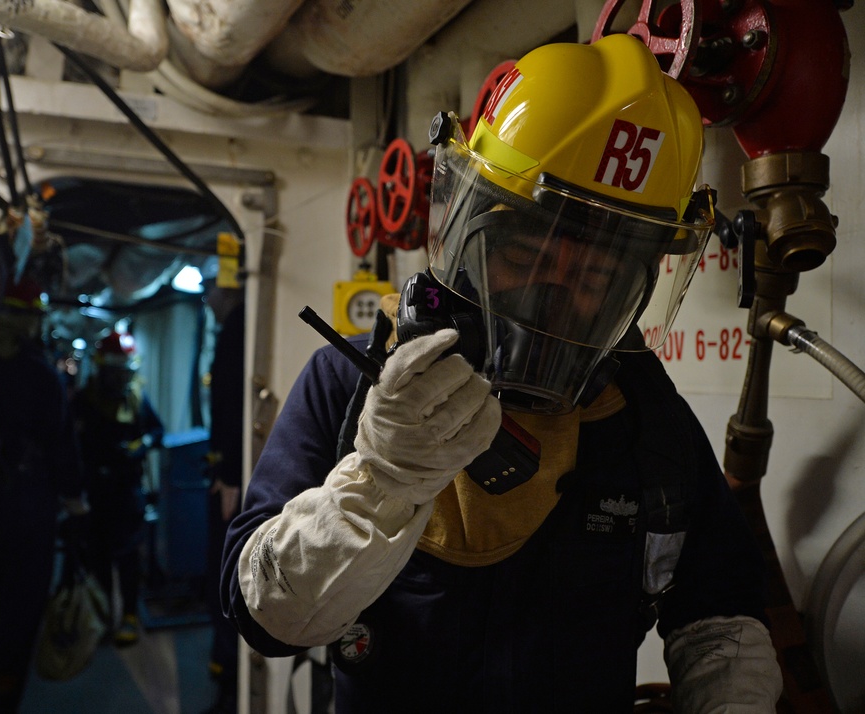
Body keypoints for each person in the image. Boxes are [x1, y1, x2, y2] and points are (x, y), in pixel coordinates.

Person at [220, 34, 784, 713]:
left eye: (598, 275)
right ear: (463, 233)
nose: (558, 292)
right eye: (526, 254)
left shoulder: (643, 423)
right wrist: (381, 483)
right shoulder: (352, 387)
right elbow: (263, 619)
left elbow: (721, 619)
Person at [0, 275, 86, 713]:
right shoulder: (41, 375)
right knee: (18, 615)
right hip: (29, 509)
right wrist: (77, 508)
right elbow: (62, 447)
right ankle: (2, 696)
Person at [72, 330, 164, 646]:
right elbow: (70, 445)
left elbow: (158, 431)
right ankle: (101, 617)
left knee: (127, 558)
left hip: (127, 490)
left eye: (126, 368)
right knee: (97, 556)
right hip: (96, 490)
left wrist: (142, 445)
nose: (122, 375)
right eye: (117, 368)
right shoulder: (85, 400)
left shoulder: (136, 398)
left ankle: (128, 616)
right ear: (103, 368)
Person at [202, 282, 245, 714]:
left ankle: (230, 689)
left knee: (224, 579)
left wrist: (230, 474)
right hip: (226, 475)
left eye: (208, 291)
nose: (206, 301)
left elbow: (232, 405)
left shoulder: (237, 330)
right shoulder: (231, 328)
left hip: (231, 484)